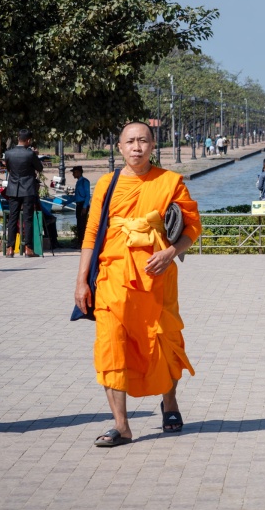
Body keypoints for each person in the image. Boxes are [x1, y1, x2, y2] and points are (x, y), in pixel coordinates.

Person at [74, 121, 202, 447]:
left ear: (153, 144)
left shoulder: (170, 182)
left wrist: (171, 252)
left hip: (156, 278)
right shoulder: (106, 184)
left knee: (165, 341)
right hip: (112, 278)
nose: (136, 147)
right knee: (110, 345)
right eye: (130, 141)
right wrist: (80, 283)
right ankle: (121, 425)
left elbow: (192, 228)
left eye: (143, 141)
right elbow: (90, 235)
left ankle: (169, 403)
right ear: (119, 147)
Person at [2, 129, 43, 258]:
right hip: (28, 189)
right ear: (29, 140)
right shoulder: (30, 154)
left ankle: (10, 248)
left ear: (18, 138)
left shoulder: (9, 153)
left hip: (13, 189)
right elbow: (40, 168)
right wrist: (35, 155)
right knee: (28, 219)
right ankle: (28, 248)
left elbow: (9, 169)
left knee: (12, 219)